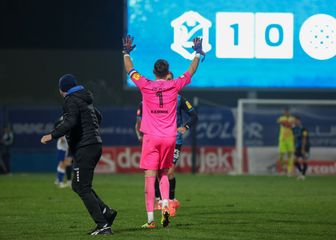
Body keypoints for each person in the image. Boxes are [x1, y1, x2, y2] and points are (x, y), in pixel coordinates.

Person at [123, 35, 203, 228]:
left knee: (150, 178)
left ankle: (150, 220)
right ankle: (166, 209)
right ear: (167, 72)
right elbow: (190, 72)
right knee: (164, 174)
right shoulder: (174, 85)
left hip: (151, 138)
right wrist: (197, 53)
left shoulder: (145, 84)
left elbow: (130, 70)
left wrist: (125, 52)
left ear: (153, 72)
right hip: (169, 137)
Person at [40, 74, 117, 235]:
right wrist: (90, 130)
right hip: (94, 144)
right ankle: (106, 213)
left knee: (82, 188)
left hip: (85, 147)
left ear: (63, 89)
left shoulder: (71, 100)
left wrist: (52, 135)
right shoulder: (84, 99)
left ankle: (103, 226)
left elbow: (70, 122)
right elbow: (99, 117)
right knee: (78, 185)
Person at [135, 72, 198, 217]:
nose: (167, 83)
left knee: (168, 172)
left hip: (174, 139)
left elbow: (194, 116)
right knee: (158, 172)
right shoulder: (152, 99)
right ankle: (161, 201)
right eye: (167, 79)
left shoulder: (180, 99)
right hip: (159, 137)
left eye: (171, 80)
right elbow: (139, 119)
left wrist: (185, 127)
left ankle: (170, 201)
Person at [277, 108, 295, 176]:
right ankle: (284, 168)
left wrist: (285, 123)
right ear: (284, 112)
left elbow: (291, 125)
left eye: (288, 112)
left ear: (289, 112)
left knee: (290, 155)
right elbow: (279, 121)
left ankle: (289, 170)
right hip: (282, 139)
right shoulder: (281, 118)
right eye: (285, 112)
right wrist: (287, 124)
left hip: (290, 139)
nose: (287, 113)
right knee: (281, 155)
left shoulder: (292, 118)